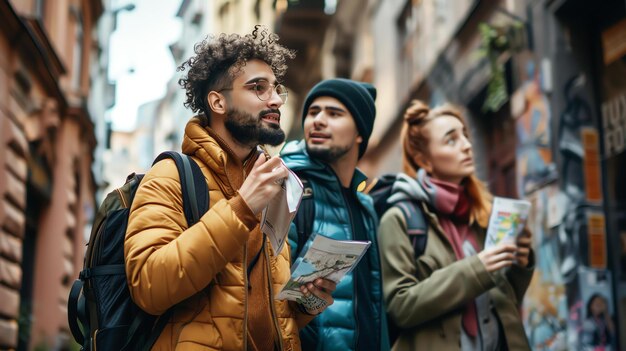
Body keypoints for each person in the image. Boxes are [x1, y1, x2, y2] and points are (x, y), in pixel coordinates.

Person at [124, 26, 336, 350]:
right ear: (218, 102)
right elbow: (149, 286)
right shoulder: (170, 176)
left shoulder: (273, 183)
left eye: (277, 88)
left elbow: (268, 314)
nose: (276, 99)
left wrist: (309, 302)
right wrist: (241, 209)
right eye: (258, 88)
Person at [377, 100, 534, 350]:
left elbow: (506, 300)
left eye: (465, 136)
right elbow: (400, 306)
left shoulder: (483, 213)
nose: (467, 146)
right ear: (424, 160)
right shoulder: (400, 219)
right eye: (452, 140)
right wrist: (477, 269)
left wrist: (520, 263)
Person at [281, 78, 390, 351]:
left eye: (334, 113)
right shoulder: (292, 191)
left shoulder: (366, 207)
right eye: (313, 111)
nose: (317, 120)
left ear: (359, 133)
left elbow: (373, 300)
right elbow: (269, 301)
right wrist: (310, 301)